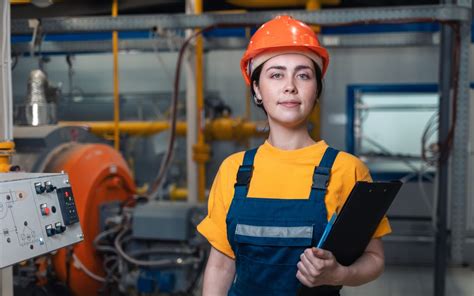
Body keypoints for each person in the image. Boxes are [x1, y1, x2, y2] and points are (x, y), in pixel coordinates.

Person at [197, 15, 390, 296]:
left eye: (303, 75)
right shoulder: (234, 170)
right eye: (276, 74)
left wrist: (339, 274)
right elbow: (221, 265)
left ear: (316, 89)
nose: (290, 85)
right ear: (256, 89)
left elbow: (375, 259)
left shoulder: (347, 170)